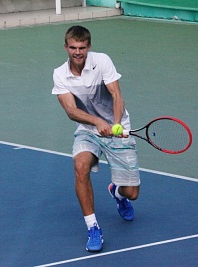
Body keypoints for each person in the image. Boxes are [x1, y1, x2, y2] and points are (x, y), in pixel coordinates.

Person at [52, 25, 140, 252]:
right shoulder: (60, 74)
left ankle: (117, 193)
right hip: (88, 130)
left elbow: (116, 94)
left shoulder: (102, 62)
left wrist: (116, 124)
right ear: (66, 47)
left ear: (89, 47)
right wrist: (97, 122)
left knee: (132, 193)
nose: (77, 52)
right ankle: (93, 228)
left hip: (117, 127)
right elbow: (71, 111)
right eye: (73, 47)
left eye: (82, 47)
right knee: (80, 165)